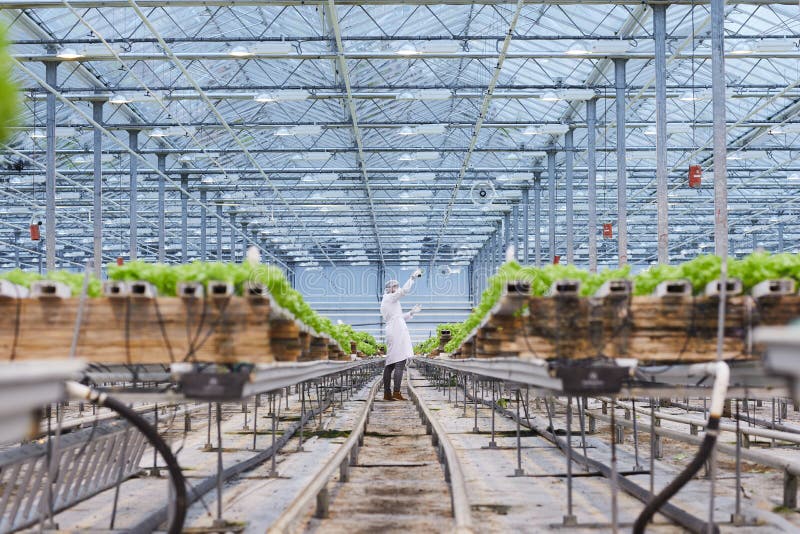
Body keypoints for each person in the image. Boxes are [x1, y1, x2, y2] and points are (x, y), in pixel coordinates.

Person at [381, 269, 423, 401]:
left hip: (395, 330)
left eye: (397, 286)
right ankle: (396, 392)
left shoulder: (390, 300)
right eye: (395, 286)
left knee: (391, 364)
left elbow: (398, 317)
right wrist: (412, 278)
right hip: (396, 332)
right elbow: (403, 291)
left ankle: (388, 393)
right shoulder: (389, 297)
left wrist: (411, 313)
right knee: (399, 362)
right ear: (389, 288)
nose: (397, 288)